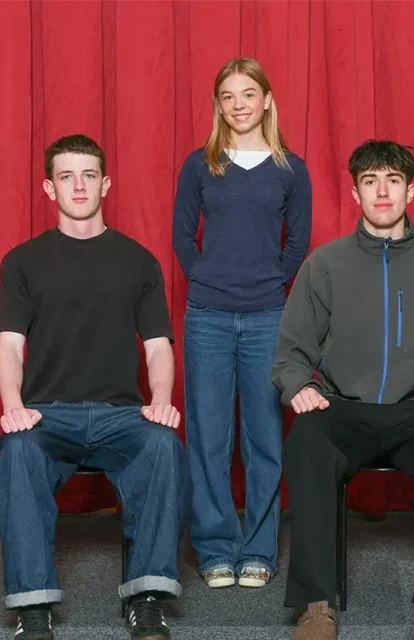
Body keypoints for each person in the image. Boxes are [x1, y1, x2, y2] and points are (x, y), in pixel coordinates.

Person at [273, 140, 414, 640]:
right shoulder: (325, 264)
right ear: (355, 193)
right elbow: (291, 351)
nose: (382, 191)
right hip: (342, 409)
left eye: (393, 180)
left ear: (411, 190)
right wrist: (300, 386)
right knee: (306, 440)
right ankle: (316, 604)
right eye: (370, 182)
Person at [0, 134, 188, 640]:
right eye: (66, 177)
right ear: (49, 188)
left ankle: (146, 596)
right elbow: (9, 344)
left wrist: (161, 399)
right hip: (47, 415)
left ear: (106, 184)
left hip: (121, 415)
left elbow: (159, 346)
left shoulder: (139, 261)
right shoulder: (22, 261)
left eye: (89, 175)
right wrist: (13, 407)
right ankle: (33, 606)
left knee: (165, 446)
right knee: (17, 452)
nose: (78, 186)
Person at [173, 57, 312, 590]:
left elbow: (297, 242)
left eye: (248, 94)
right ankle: (213, 548)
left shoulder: (290, 169)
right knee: (208, 437)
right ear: (218, 105)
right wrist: (206, 277)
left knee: (264, 438)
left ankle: (257, 549)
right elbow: (183, 237)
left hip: (267, 318)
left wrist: (268, 282)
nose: (238, 105)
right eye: (228, 96)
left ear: (267, 100)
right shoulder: (199, 165)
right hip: (207, 317)